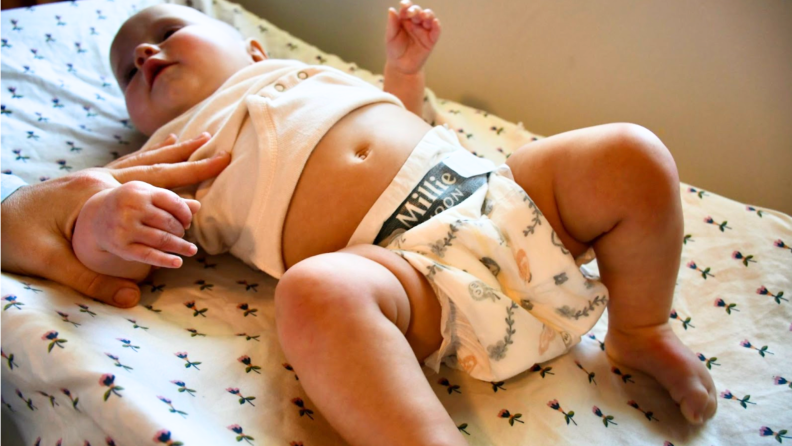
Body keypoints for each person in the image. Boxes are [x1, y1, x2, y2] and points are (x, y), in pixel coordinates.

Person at [76, 1, 717, 444]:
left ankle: (640, 328)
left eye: (164, 29)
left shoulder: (303, 73)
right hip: (407, 276)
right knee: (316, 293)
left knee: (629, 153)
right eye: (128, 71)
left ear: (250, 46)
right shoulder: (166, 153)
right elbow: (136, 250)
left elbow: (400, 119)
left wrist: (404, 75)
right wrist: (107, 224)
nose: (144, 52)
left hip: (502, 201)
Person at [1, 134, 230, 307]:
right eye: (130, 77)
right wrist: (98, 220)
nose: (140, 67)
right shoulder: (177, 130)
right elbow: (118, 259)